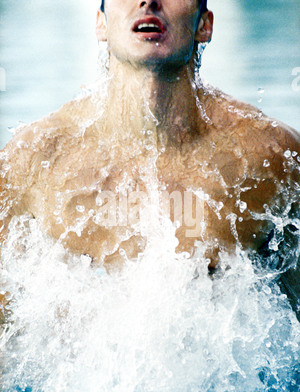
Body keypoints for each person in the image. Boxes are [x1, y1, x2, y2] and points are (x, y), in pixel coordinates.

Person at [0, 0, 299, 315]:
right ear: (100, 24)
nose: (148, 1)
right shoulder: (31, 164)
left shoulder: (271, 159)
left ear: (204, 26)